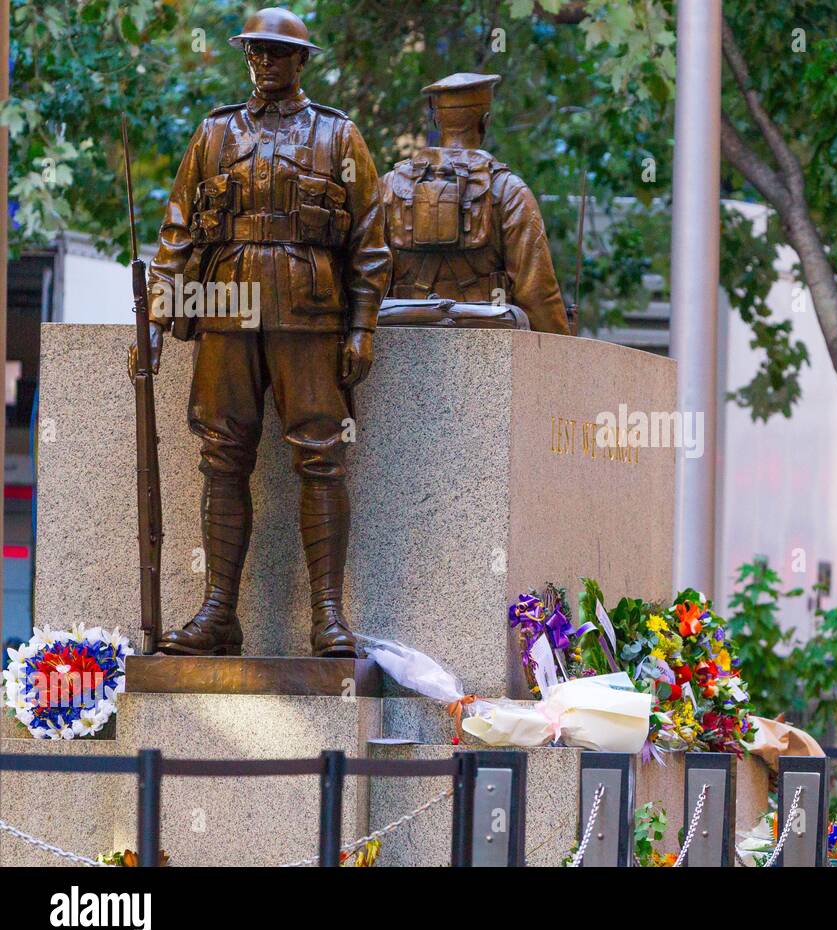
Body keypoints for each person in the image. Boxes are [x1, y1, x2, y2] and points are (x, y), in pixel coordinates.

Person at [145, 7, 391, 658]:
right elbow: (177, 228)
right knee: (222, 456)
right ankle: (218, 613)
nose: (266, 63)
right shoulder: (215, 133)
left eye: (279, 53)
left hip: (309, 308)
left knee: (321, 457)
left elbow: (370, 240)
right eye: (256, 52)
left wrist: (362, 327)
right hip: (227, 301)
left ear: (302, 61)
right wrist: (157, 311)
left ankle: (329, 619)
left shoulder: (339, 137)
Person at [378, 72, 571, 334]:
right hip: (491, 348)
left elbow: (366, 274)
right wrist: (561, 358)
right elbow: (537, 293)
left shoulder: (389, 186)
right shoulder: (509, 191)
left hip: (402, 344)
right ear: (485, 121)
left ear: (437, 119)